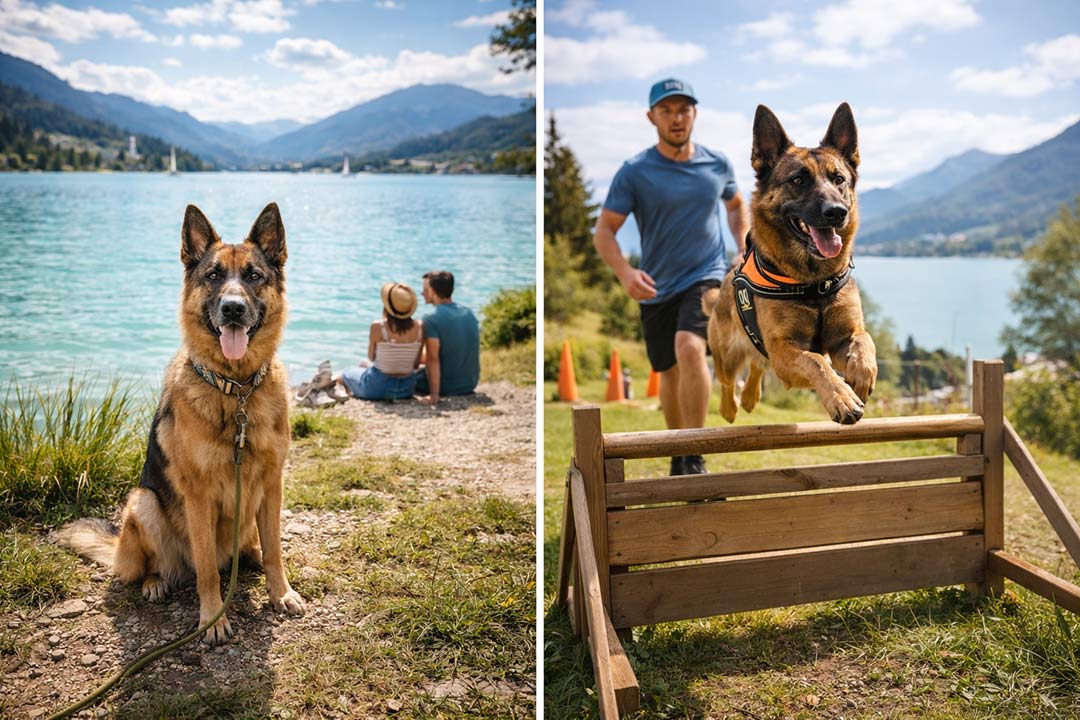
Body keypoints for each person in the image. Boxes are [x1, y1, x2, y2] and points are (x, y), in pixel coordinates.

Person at [593, 78, 750, 476]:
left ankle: (694, 454)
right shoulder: (635, 172)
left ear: (695, 113)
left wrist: (742, 247)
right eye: (667, 110)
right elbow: (605, 231)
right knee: (668, 370)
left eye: (684, 109)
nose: (676, 118)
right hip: (655, 286)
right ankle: (679, 456)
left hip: (707, 274)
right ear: (651, 117)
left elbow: (735, 204)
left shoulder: (717, 163)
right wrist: (625, 272)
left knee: (691, 348)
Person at [336, 282, 424, 401]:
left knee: (346, 373)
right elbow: (416, 364)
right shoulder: (420, 327)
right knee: (364, 365)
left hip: (376, 388)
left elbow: (371, 357)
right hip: (406, 389)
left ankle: (340, 392)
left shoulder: (378, 326)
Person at [414, 270, 480, 405]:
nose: (422, 293)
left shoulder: (431, 318)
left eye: (425, 289)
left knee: (405, 376)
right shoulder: (468, 312)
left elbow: (433, 359)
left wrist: (434, 395)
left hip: (447, 387)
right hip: (470, 384)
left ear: (432, 291)